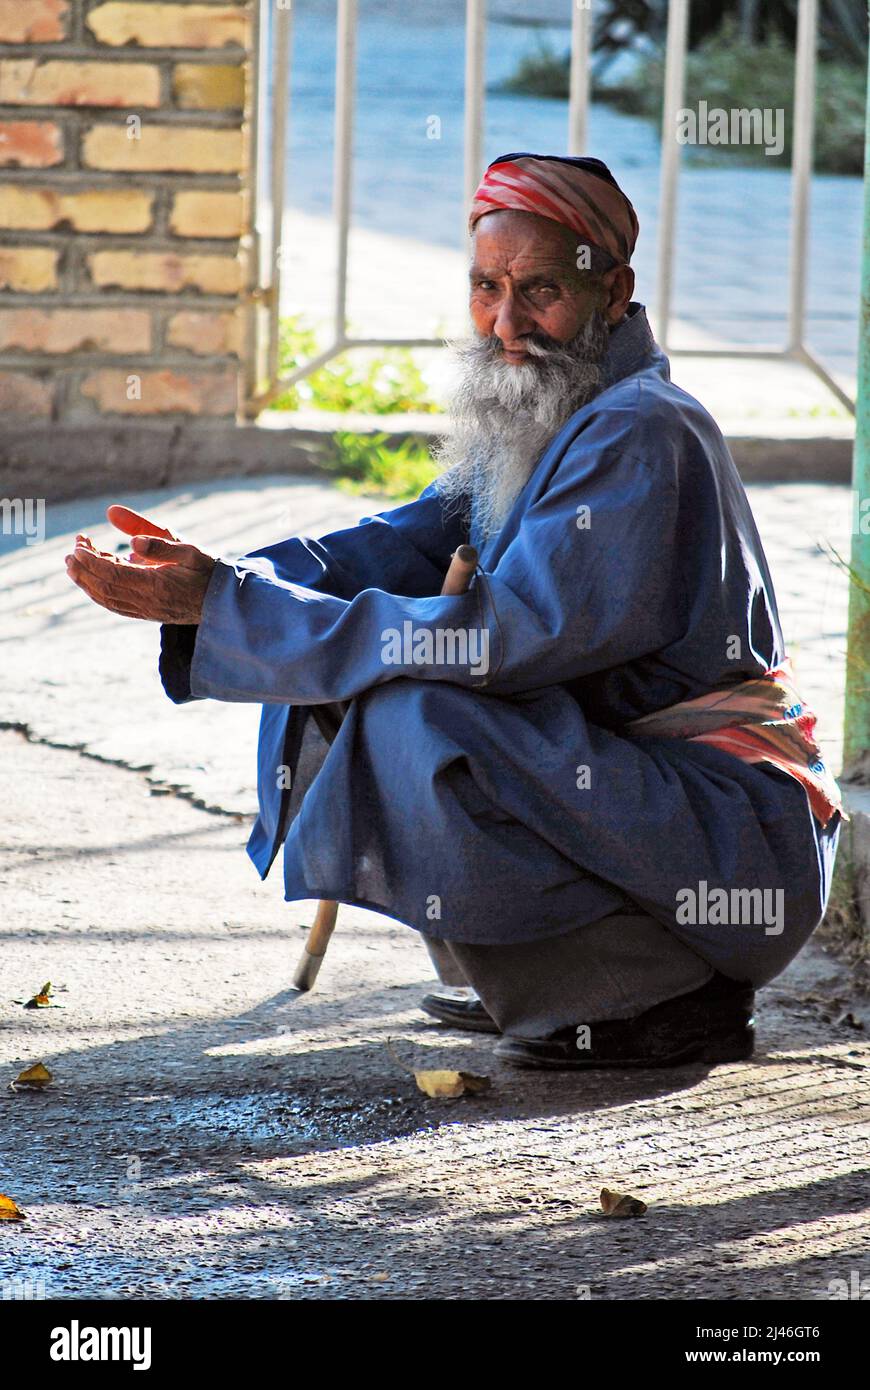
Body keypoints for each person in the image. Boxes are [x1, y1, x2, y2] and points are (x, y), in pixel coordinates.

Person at [66, 152, 842, 1070]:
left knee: (418, 711)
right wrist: (219, 581)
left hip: (733, 847)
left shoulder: (643, 429)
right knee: (329, 652)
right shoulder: (554, 410)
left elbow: (505, 639)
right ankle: (564, 985)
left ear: (613, 290)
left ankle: (657, 996)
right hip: (666, 822)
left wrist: (236, 605)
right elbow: (390, 546)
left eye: (541, 290)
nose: (507, 325)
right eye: (486, 288)